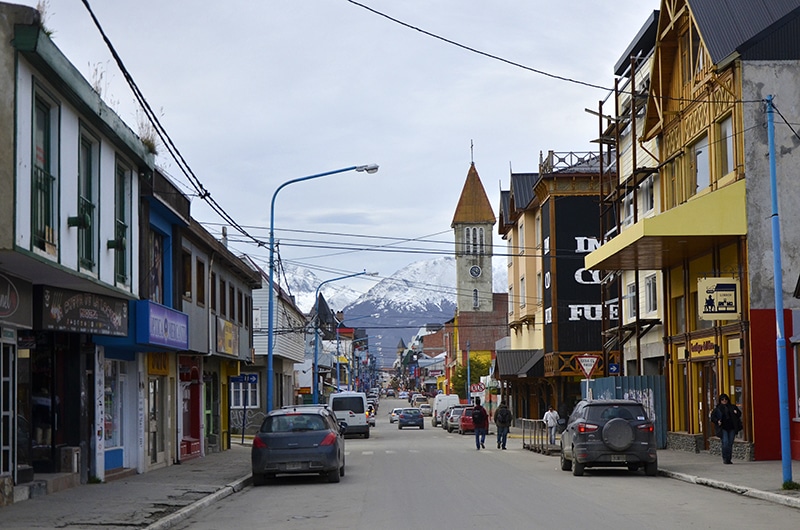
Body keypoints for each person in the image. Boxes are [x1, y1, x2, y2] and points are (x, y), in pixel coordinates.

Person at [710, 393, 742, 464]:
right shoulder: (718, 409)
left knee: (730, 443)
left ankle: (729, 459)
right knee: (725, 442)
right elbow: (712, 418)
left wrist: (736, 413)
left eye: (725, 399)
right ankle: (725, 458)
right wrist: (717, 421)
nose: (724, 400)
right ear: (720, 400)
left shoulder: (732, 407)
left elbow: (739, 414)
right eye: (722, 399)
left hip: (732, 427)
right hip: (723, 428)